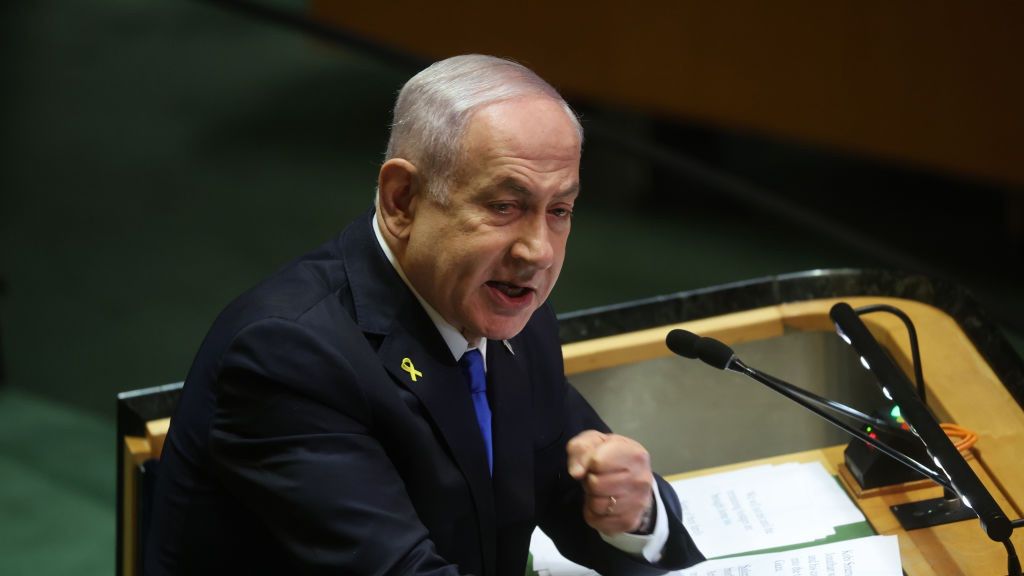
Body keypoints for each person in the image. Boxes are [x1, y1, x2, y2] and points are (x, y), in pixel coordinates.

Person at [146, 54, 704, 575]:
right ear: (401, 200)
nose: (538, 251)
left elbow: (572, 489)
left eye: (559, 211)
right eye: (504, 207)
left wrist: (634, 511)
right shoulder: (290, 357)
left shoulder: (511, 313)